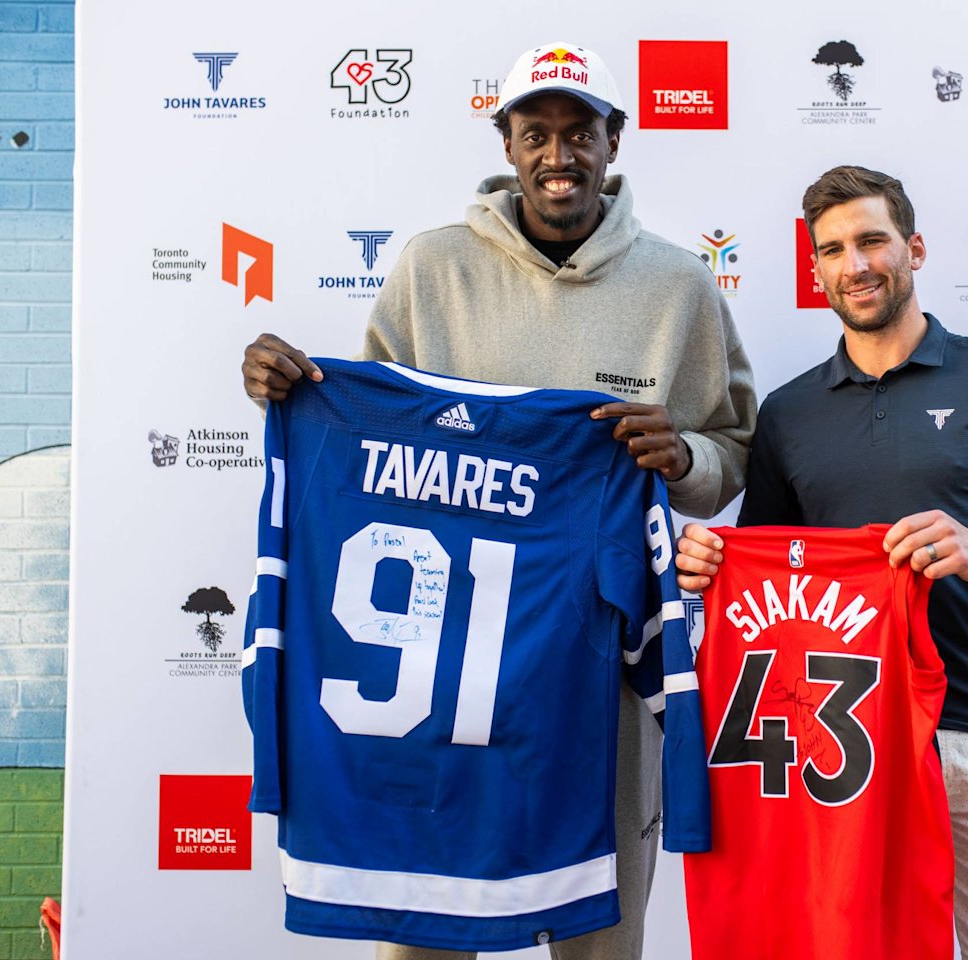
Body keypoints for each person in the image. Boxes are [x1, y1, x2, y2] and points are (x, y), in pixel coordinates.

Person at [241, 41, 756, 960]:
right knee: (425, 927)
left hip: (597, 662)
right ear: (507, 143)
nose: (560, 155)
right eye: (537, 133)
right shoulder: (431, 268)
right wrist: (290, 392)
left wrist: (684, 457)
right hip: (446, 663)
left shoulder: (679, 285)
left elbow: (733, 448)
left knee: (601, 929)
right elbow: (365, 435)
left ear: (615, 141)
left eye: (580, 133)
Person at [677, 165, 968, 960]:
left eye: (872, 240)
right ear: (816, 269)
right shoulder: (789, 413)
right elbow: (768, 586)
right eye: (833, 249)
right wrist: (709, 565)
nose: (856, 264)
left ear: (914, 248)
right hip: (849, 755)